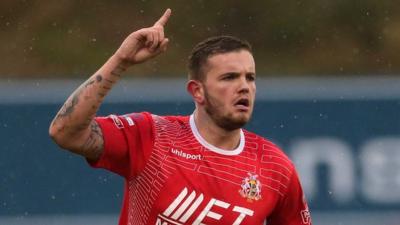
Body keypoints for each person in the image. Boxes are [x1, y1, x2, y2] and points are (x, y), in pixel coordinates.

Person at [49, 8, 312, 225]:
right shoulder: (153, 135)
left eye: (250, 77)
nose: (244, 86)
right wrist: (121, 61)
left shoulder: (275, 168)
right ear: (197, 91)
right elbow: (65, 132)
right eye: (229, 77)